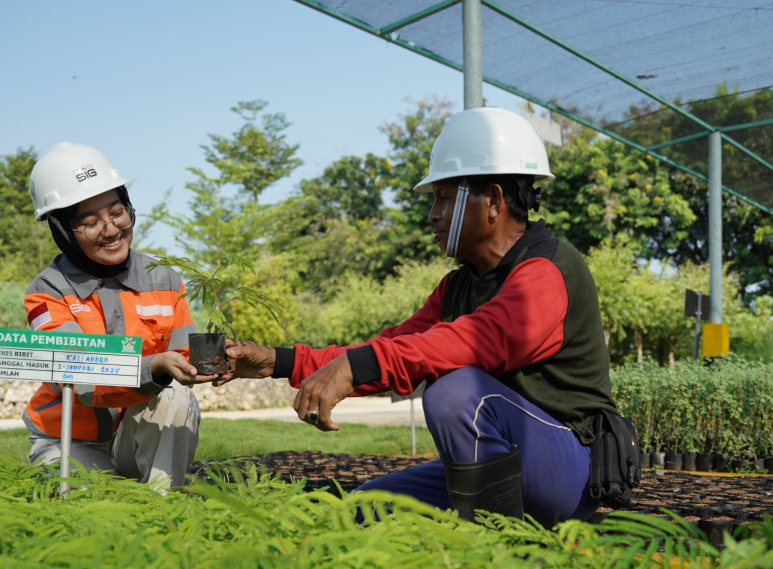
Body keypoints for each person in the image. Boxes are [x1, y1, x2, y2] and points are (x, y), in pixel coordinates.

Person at [225, 107, 621, 526]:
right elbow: (390, 349)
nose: (432, 214)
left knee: (455, 392)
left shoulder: (549, 271)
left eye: (445, 198)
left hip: (570, 470)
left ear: (494, 202)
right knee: (362, 510)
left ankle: (501, 552)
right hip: (507, 465)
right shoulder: (458, 288)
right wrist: (277, 361)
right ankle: (483, 528)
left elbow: (475, 341)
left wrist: (355, 367)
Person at [23, 141, 217, 492]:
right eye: (90, 222)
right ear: (63, 231)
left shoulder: (165, 279)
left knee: (174, 394)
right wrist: (153, 366)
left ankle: (163, 506)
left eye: (117, 212)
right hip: (70, 440)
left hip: (137, 437)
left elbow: (182, 364)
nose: (111, 230)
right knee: (91, 505)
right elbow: (81, 380)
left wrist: (215, 361)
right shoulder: (46, 292)